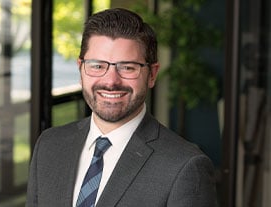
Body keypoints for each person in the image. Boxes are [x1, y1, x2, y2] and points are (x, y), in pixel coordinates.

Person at [26, 8, 218, 207]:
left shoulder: (185, 167)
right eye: (98, 66)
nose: (111, 81)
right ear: (81, 69)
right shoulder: (49, 146)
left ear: (152, 74)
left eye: (127, 67)